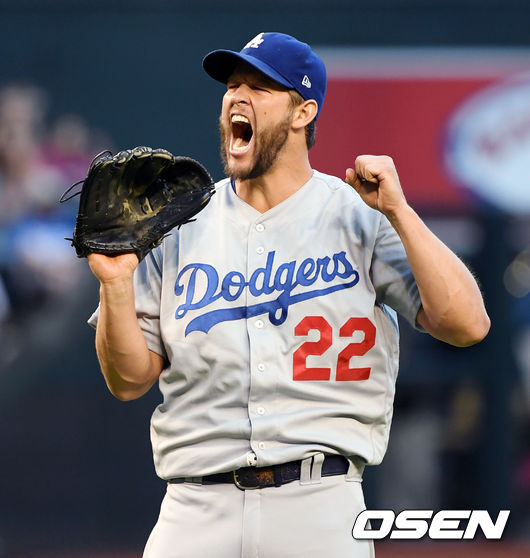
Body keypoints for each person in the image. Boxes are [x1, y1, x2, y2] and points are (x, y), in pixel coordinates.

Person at [87, 32, 490, 558]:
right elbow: (127, 381)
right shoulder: (177, 224)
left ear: (303, 113)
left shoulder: (359, 215)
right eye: (231, 85)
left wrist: (400, 212)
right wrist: (115, 284)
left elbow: (468, 325)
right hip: (194, 506)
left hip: (320, 502)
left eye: (258, 87)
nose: (236, 96)